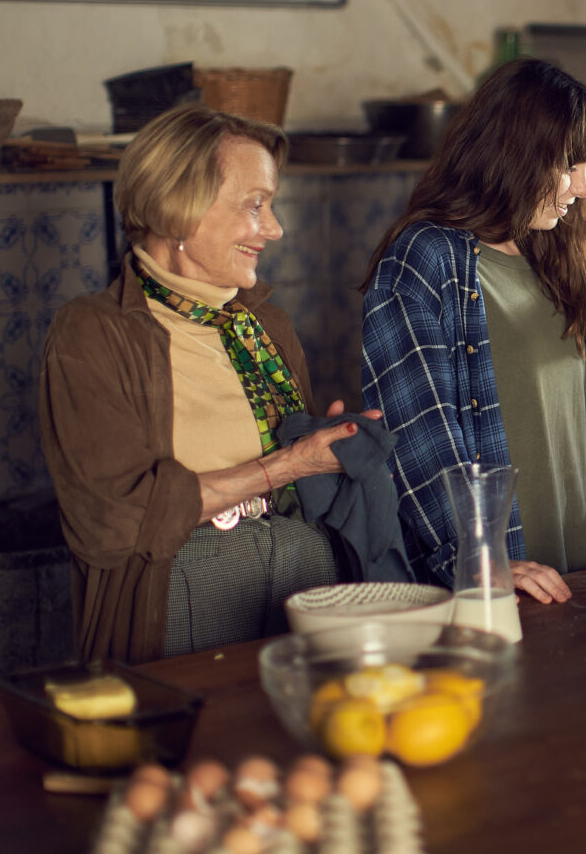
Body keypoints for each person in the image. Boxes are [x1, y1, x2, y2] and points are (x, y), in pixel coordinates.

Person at [360, 57, 586, 605]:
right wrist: (480, 560)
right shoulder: (425, 259)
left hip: (574, 571)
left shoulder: (551, 253)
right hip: (492, 584)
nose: (582, 187)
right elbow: (418, 439)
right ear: (515, 155)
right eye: (569, 166)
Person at [40, 104, 386, 663]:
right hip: (183, 594)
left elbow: (299, 476)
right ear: (180, 209)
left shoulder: (264, 325)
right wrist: (289, 465)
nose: (274, 229)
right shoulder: (93, 332)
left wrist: (326, 444)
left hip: (305, 571)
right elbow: (111, 520)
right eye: (255, 206)